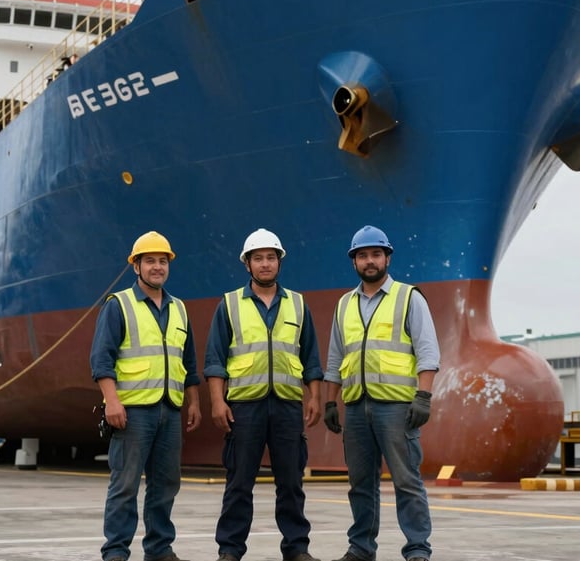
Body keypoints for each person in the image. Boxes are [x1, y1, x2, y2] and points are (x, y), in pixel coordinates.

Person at [204, 228, 324, 561]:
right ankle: (229, 550)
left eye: (271, 257)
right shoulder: (228, 305)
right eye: (258, 258)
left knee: (291, 483)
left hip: (287, 406)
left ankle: (297, 548)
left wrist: (314, 397)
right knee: (239, 483)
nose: (265, 264)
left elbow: (311, 358)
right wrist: (217, 402)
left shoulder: (298, 305)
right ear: (247, 264)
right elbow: (215, 360)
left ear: (279, 262)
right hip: (244, 408)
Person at [324, 225, 440, 561]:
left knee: (406, 480)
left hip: (396, 408)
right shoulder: (344, 305)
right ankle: (361, 548)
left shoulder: (409, 298)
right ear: (354, 262)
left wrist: (424, 396)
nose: (370, 261)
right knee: (360, 483)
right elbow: (335, 358)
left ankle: (417, 549)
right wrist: (331, 401)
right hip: (357, 407)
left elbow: (428, 352)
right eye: (363, 255)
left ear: (387, 258)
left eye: (376, 254)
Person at [90, 231, 201, 561]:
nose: (157, 267)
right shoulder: (118, 305)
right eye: (150, 261)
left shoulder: (179, 308)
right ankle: (115, 552)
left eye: (162, 261)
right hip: (132, 412)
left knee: (166, 484)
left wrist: (193, 401)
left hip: (170, 410)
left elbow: (189, 361)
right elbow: (101, 358)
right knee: (124, 485)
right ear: (135, 266)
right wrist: (112, 401)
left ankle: (159, 549)